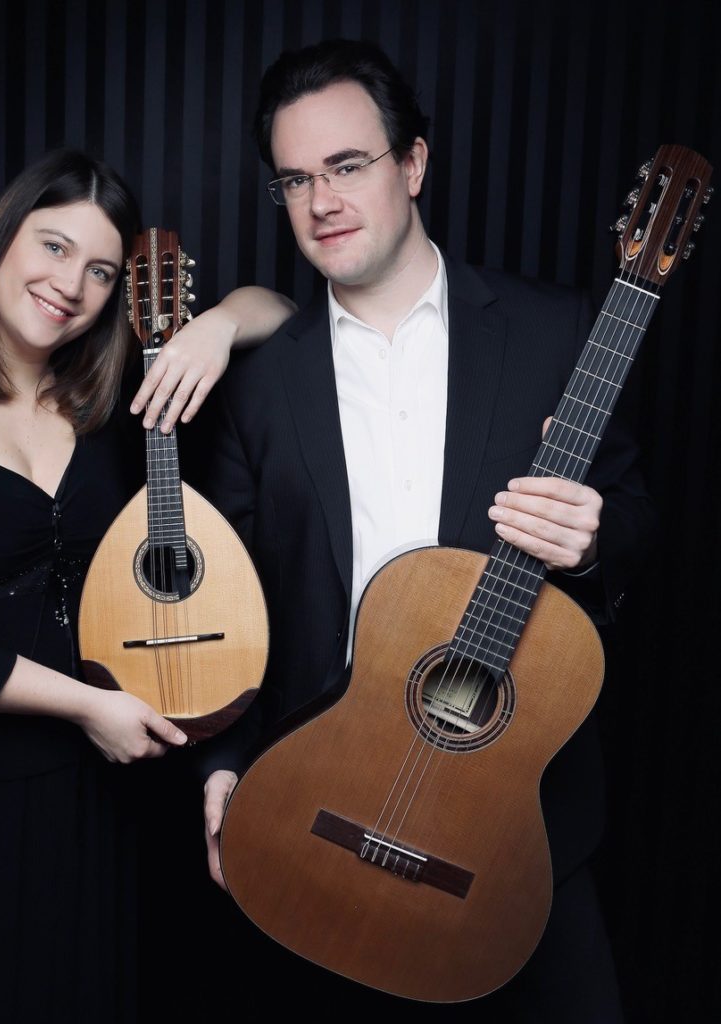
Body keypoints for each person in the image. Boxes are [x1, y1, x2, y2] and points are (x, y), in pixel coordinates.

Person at [194, 40, 656, 1022]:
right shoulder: (260, 386)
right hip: (324, 815)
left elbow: (635, 520)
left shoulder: (548, 329)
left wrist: (595, 535)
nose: (320, 200)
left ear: (412, 164)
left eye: (348, 165)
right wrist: (219, 765)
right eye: (294, 179)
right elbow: (232, 608)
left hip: (516, 825)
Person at [0, 148, 293, 1024]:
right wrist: (85, 706)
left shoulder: (116, 406)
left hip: (98, 800)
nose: (71, 284)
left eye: (101, 270)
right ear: (2, 240)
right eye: (53, 247)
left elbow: (284, 312)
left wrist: (208, 330)